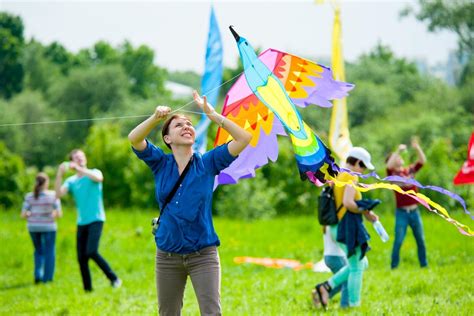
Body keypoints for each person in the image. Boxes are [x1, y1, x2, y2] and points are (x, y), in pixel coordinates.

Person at [128, 91, 251, 315]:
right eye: (178, 125)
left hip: (202, 254)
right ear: (167, 138)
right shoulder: (159, 163)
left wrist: (214, 116)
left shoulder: (208, 162)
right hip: (167, 255)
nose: (186, 126)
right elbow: (134, 138)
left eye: (189, 124)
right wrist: (155, 118)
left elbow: (244, 138)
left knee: (212, 313)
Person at [312, 147, 379, 309]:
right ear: (356, 162)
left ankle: (325, 287)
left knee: (359, 263)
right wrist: (365, 211)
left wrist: (365, 212)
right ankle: (352, 306)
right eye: (362, 166)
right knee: (357, 267)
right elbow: (349, 203)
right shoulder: (351, 177)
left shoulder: (340, 175)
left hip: (337, 227)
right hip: (346, 226)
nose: (362, 171)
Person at [55, 149, 121, 292]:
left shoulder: (94, 173)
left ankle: (114, 278)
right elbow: (58, 195)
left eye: (81, 157)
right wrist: (60, 174)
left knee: (91, 251)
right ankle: (88, 289)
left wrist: (79, 169)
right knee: (81, 257)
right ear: (71, 161)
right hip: (81, 222)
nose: (80, 159)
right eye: (76, 158)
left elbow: (99, 179)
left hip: (96, 219)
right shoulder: (71, 181)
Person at [386, 137, 427, 269]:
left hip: (415, 211)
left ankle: (424, 265)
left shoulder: (409, 170)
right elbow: (388, 166)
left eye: (398, 156)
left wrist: (417, 147)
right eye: (395, 157)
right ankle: (394, 267)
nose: (398, 158)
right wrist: (397, 150)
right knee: (398, 241)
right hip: (402, 213)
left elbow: (422, 161)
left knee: (421, 240)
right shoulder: (391, 174)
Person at [21, 172, 62, 284]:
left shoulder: (29, 196)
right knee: (50, 251)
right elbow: (59, 214)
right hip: (49, 226)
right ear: (47, 182)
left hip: (33, 227)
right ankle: (47, 278)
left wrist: (31, 214)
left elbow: (23, 214)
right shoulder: (53, 195)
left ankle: (37, 275)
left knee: (38, 251)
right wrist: (52, 214)